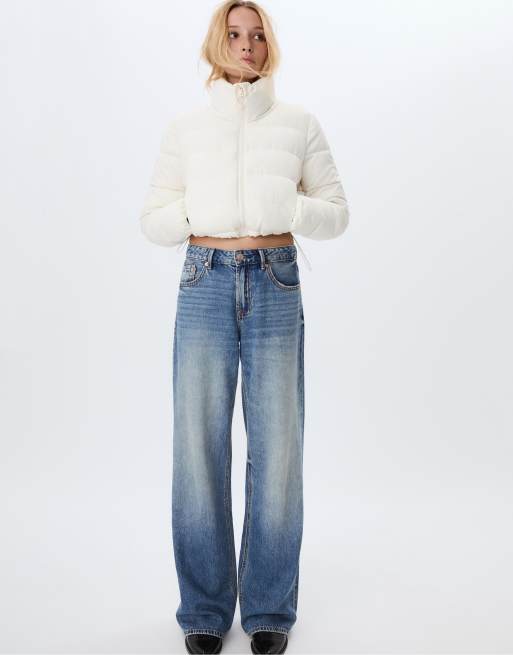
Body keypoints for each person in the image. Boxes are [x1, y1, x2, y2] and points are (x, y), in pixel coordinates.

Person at [139, 1, 350, 653]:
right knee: (197, 448)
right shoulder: (186, 128)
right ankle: (204, 609)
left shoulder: (298, 123)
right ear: (217, 42)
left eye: (257, 34)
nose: (246, 44)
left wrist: (285, 204)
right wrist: (196, 211)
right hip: (203, 280)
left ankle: (268, 610)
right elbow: (152, 220)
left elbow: (336, 212)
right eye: (234, 34)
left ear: (269, 43)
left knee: (278, 449)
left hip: (275, 280)